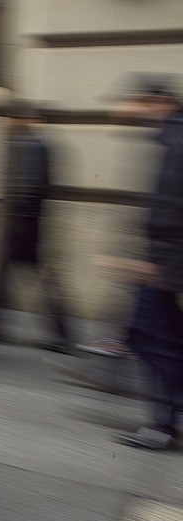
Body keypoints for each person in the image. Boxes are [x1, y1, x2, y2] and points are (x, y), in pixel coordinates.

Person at [106, 75, 183, 450]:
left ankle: (163, 425)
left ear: (157, 102)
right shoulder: (168, 137)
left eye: (133, 101)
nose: (125, 108)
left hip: (166, 266)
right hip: (167, 263)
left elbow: (170, 211)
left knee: (149, 337)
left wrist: (154, 265)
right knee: (164, 339)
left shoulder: (174, 140)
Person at [0, 101, 74, 354]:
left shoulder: (27, 145)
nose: (4, 123)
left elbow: (28, 189)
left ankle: (60, 335)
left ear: (17, 119)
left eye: (7, 118)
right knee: (6, 279)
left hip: (22, 227)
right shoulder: (37, 144)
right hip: (27, 225)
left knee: (31, 280)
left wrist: (15, 223)